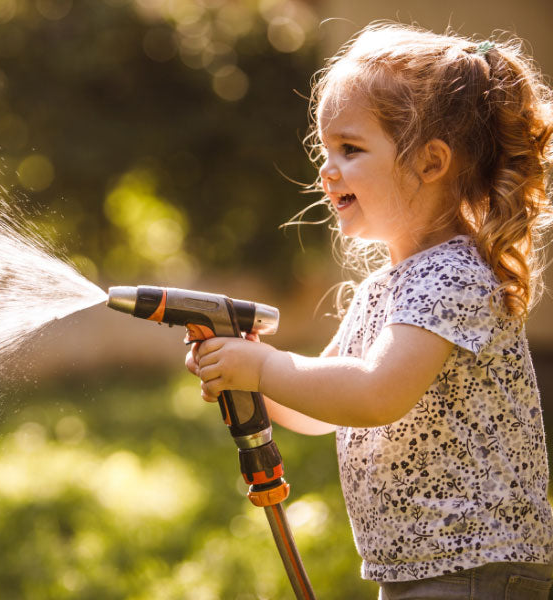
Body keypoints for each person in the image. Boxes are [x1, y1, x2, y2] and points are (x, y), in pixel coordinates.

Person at [186, 22, 553, 599]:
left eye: (350, 149)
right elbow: (327, 408)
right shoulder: (384, 288)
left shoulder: (453, 274)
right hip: (420, 570)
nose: (326, 170)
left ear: (432, 163)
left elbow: (375, 393)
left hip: (474, 568)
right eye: (325, 150)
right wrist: (249, 368)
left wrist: (262, 369)